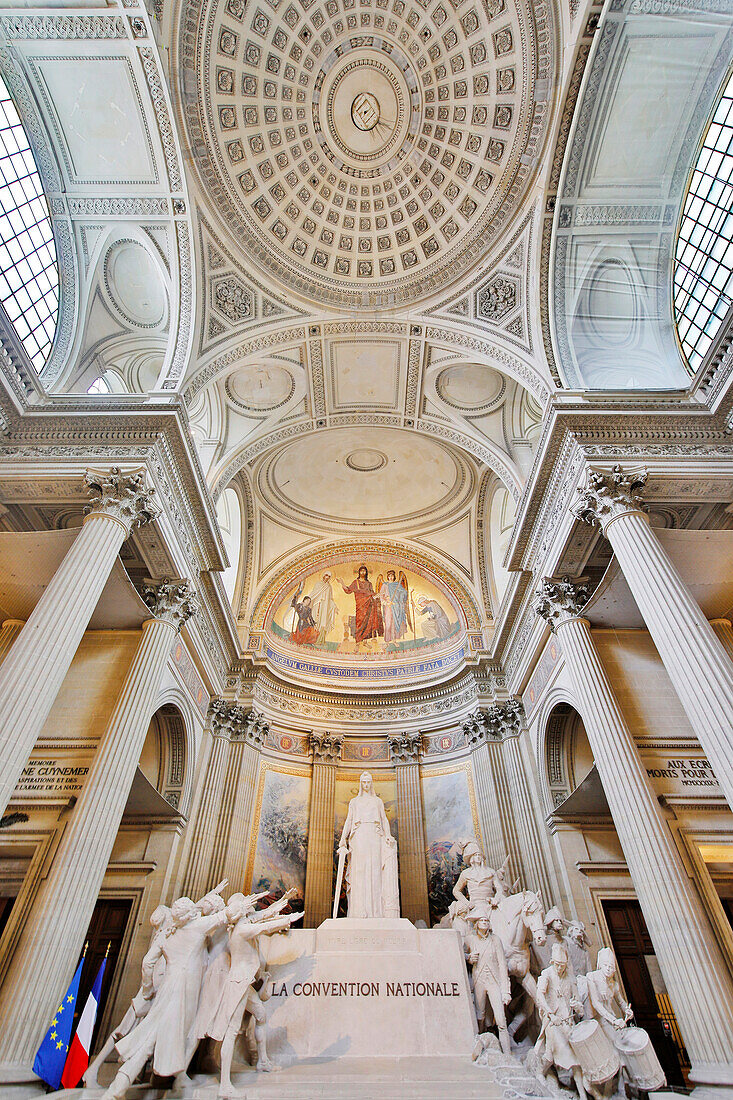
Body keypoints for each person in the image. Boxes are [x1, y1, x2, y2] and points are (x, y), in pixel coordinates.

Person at [101, 896, 229, 1100]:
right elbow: (226, 915)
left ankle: (118, 1088)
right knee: (152, 1040)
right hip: (183, 994)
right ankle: (115, 1091)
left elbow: (147, 963)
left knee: (152, 1038)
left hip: (167, 989)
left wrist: (147, 989)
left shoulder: (166, 935)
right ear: (190, 913)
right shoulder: (196, 928)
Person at [206, 893, 303, 1097]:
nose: (250, 907)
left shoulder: (242, 924)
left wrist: (281, 903)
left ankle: (262, 1061)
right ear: (240, 911)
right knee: (231, 1032)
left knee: (260, 1014)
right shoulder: (241, 929)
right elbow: (264, 926)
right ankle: (225, 1085)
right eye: (245, 905)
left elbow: (263, 916)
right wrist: (288, 919)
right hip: (238, 983)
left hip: (245, 982)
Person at [83, 905, 171, 1088]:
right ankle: (94, 1071)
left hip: (158, 991)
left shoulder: (169, 932)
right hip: (150, 993)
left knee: (138, 1033)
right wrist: (147, 991)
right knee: (123, 1031)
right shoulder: (164, 935)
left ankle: (137, 1075)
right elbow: (148, 964)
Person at [337, 771, 399, 918]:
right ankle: (358, 911)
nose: (366, 785)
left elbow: (384, 819)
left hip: (375, 836)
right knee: (359, 871)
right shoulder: (354, 802)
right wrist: (342, 838)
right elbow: (349, 820)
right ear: (360, 783)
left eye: (368, 782)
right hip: (359, 836)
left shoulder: (377, 801)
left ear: (371, 783)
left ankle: (376, 912)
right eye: (363, 782)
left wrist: (388, 835)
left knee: (375, 871)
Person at [534, 942, 590, 1100]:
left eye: (563, 965)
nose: (560, 968)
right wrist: (551, 1014)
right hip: (553, 1021)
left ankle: (582, 1094)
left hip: (568, 1022)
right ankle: (539, 1072)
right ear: (552, 962)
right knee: (550, 1052)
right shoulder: (547, 974)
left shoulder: (570, 978)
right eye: (557, 965)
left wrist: (577, 1006)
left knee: (576, 1059)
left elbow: (579, 1006)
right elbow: (540, 996)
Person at [465, 902, 512, 1054]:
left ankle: (507, 1053)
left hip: (494, 980)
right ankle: (479, 1046)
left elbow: (502, 965)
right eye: (482, 920)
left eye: (486, 920)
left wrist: (506, 991)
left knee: (500, 1019)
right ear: (477, 923)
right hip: (479, 980)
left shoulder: (495, 940)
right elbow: (460, 952)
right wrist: (468, 958)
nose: (484, 922)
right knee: (480, 1015)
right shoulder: (470, 939)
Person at [585, 948, 633, 1044]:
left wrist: (627, 1010)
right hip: (597, 1019)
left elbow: (620, 1001)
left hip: (611, 1019)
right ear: (600, 965)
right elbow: (596, 1003)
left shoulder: (614, 984)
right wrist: (614, 1020)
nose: (608, 969)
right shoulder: (592, 977)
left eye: (610, 966)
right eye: (605, 965)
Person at [340, 565, 383, 648]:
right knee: (359, 624)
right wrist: (342, 583)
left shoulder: (369, 583)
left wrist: (378, 595)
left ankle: (365, 642)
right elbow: (348, 590)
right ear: (359, 572)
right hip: (360, 606)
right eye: (361, 571)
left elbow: (372, 594)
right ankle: (357, 643)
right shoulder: (355, 582)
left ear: (366, 572)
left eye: (364, 571)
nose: (363, 572)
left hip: (369, 606)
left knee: (368, 624)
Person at [377, 570, 409, 645]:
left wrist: (402, 594)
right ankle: (387, 641)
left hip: (396, 606)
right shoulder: (385, 585)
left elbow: (404, 592)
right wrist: (386, 602)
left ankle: (394, 640)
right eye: (389, 576)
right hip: (388, 606)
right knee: (388, 623)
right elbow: (381, 595)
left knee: (394, 624)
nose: (390, 577)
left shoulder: (397, 584)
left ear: (394, 577)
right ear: (387, 577)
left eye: (392, 576)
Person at [308, 571, 339, 643]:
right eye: (326, 575)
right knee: (315, 619)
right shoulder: (318, 584)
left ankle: (320, 640)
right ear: (323, 576)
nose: (327, 577)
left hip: (325, 607)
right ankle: (311, 638)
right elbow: (314, 594)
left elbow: (330, 598)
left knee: (323, 621)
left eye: (329, 576)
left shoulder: (329, 587)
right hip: (317, 604)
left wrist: (334, 607)